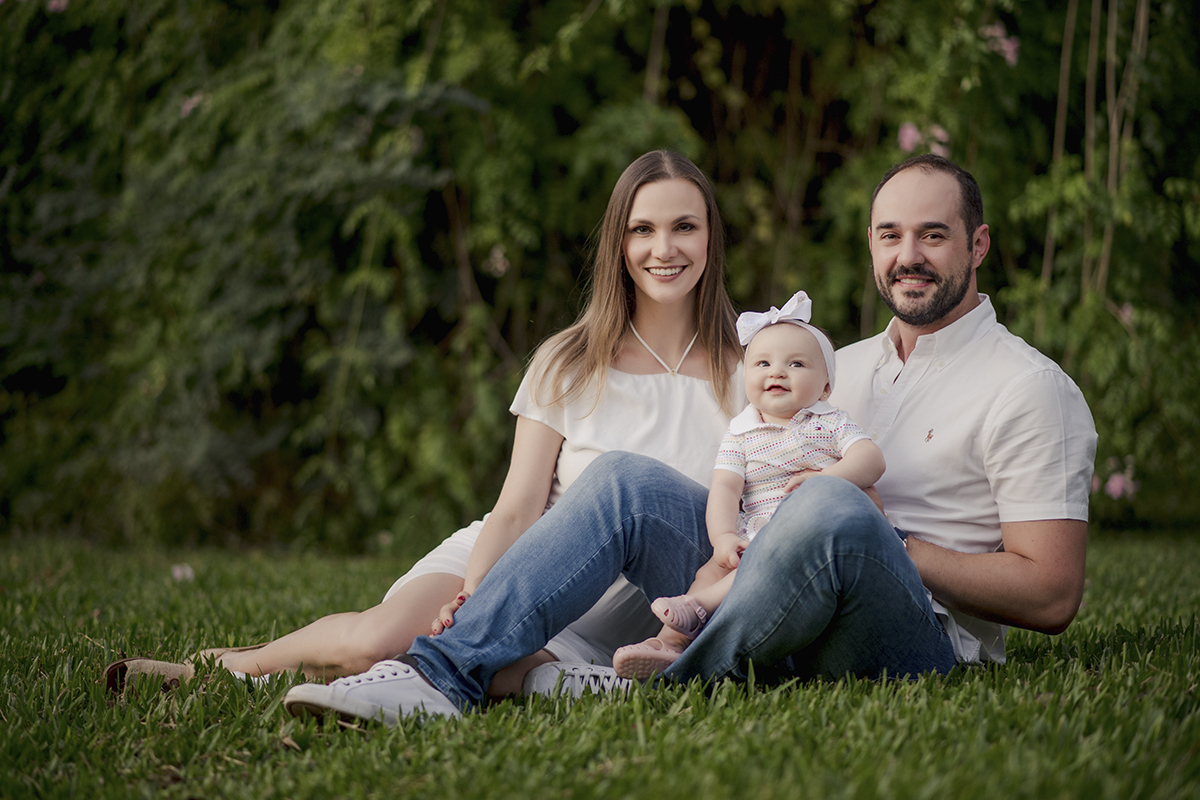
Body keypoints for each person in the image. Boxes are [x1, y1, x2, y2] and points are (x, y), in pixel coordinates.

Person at [282, 154, 1098, 724]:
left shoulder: (1026, 388)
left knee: (829, 507)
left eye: (934, 235)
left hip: (910, 628)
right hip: (775, 585)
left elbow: (1052, 596)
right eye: (891, 235)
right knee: (626, 481)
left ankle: (661, 681)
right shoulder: (839, 365)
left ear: (978, 245)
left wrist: (894, 544)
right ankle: (440, 677)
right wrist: (734, 534)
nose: (908, 256)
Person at [103, 149, 744, 696]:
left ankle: (495, 668)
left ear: (710, 237)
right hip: (519, 559)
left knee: (503, 676)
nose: (664, 249)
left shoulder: (752, 372)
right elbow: (518, 507)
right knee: (377, 639)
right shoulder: (570, 360)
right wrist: (475, 593)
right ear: (619, 244)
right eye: (642, 230)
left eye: (683, 227)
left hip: (637, 611)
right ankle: (219, 669)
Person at [612, 290, 885, 679]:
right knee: (711, 569)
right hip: (752, 531)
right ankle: (667, 643)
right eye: (762, 363)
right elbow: (725, 488)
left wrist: (827, 480)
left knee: (745, 568)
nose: (777, 372)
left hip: (806, 539)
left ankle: (701, 608)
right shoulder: (741, 432)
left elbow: (871, 460)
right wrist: (723, 537)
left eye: (796, 364)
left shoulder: (829, 422)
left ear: (825, 387)